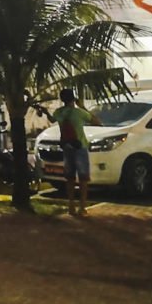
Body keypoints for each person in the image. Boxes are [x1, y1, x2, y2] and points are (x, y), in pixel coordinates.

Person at [52, 88, 100, 217]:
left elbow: (51, 119)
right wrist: (83, 106)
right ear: (73, 99)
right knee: (83, 178)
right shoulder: (79, 113)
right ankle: (82, 207)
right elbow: (97, 121)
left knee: (70, 178)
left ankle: (71, 206)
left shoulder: (59, 113)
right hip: (80, 146)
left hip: (67, 146)